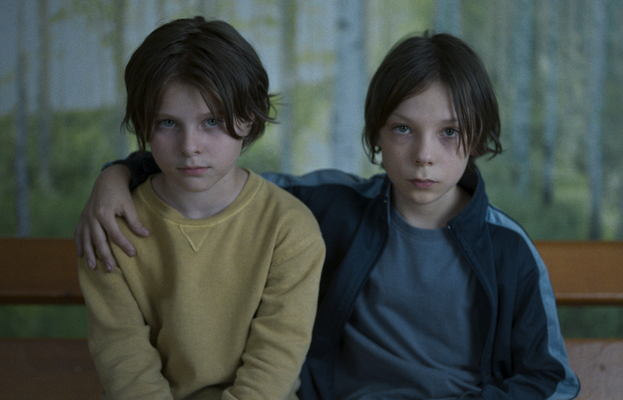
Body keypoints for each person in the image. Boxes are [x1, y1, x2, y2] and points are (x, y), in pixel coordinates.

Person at [76, 31, 580, 399]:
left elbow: (553, 380)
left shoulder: (507, 248)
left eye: (449, 132)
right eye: (403, 129)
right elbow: (214, 179)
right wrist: (118, 174)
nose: (425, 155)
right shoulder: (333, 206)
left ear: (478, 134)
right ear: (376, 134)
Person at [76, 15, 325, 400]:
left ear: (249, 118)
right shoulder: (111, 224)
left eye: (212, 121)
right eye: (167, 123)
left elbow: (276, 359)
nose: (190, 146)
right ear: (143, 123)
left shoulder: (289, 228)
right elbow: (122, 355)